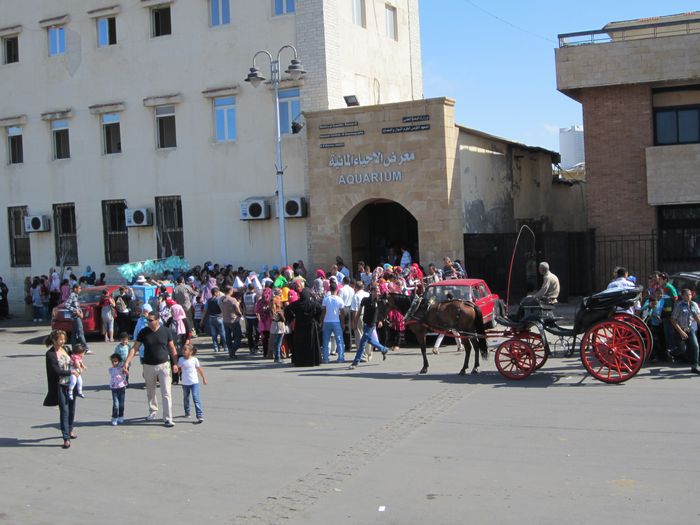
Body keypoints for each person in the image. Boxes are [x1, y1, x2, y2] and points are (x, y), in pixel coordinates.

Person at [123, 312, 180, 427]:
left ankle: (168, 418)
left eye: (150, 320)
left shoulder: (166, 331)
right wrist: (127, 362)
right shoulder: (143, 332)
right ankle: (153, 411)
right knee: (150, 391)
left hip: (164, 365)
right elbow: (135, 348)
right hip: (148, 365)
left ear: (157, 320)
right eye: (147, 320)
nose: (148, 322)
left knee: (166, 392)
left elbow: (172, 348)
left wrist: (176, 364)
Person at [43, 329, 79, 449]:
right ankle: (66, 438)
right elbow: (56, 371)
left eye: (64, 339)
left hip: (71, 384)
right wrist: (71, 371)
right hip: (60, 385)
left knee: (72, 409)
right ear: (54, 340)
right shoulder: (50, 354)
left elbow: (73, 360)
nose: (63, 341)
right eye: (60, 339)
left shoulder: (67, 349)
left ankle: (70, 429)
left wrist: (78, 364)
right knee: (64, 411)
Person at [349, 285, 390, 369]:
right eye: (376, 291)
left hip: (371, 325)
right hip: (365, 323)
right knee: (369, 340)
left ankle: (355, 363)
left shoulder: (380, 301)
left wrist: (381, 320)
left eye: (378, 291)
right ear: (371, 292)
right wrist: (355, 322)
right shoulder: (365, 300)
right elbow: (359, 311)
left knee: (362, 343)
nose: (378, 292)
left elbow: (383, 312)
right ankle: (384, 349)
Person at [285, 287, 322, 367]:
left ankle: (300, 361)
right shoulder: (312, 303)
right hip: (311, 326)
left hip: (299, 326)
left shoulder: (297, 304)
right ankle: (313, 361)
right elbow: (320, 308)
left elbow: (287, 309)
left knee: (300, 344)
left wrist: (292, 317)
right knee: (311, 344)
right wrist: (316, 318)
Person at [670, 288, 700, 375]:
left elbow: (697, 317)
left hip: (690, 329)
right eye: (686, 295)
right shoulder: (679, 306)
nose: (689, 296)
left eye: (690, 294)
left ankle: (694, 366)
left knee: (695, 346)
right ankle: (670, 353)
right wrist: (681, 332)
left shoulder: (694, 304)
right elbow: (673, 319)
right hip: (680, 330)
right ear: (682, 296)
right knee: (681, 349)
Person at [178, 343, 207, 423]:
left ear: (190, 352)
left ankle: (199, 415)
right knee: (186, 398)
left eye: (185, 349)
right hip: (185, 383)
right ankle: (187, 412)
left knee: (195, 398)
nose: (183, 351)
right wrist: (176, 370)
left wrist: (203, 378)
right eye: (183, 349)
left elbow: (199, 369)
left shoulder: (194, 360)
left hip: (194, 382)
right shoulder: (181, 359)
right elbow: (179, 369)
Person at [321, 281, 346, 363]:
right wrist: (343, 323)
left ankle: (325, 358)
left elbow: (324, 311)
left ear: (329, 289)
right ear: (337, 289)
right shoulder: (339, 299)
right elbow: (342, 313)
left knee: (326, 340)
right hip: (336, 321)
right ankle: (341, 358)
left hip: (326, 321)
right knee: (339, 340)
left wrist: (321, 321)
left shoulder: (326, 299)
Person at [65, 284, 91, 354]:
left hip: (76, 316)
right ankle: (86, 348)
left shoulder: (76, 296)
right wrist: (76, 311)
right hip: (75, 317)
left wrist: (80, 312)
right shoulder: (72, 295)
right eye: (79, 288)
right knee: (80, 333)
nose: (80, 290)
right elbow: (67, 304)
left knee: (74, 333)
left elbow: (77, 306)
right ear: (75, 289)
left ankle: (74, 349)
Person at [201, 287, 228, 354]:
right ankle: (225, 347)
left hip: (211, 318)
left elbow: (205, 310)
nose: (219, 293)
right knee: (222, 333)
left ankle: (216, 348)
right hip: (219, 318)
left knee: (214, 334)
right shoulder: (218, 300)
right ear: (215, 293)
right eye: (218, 292)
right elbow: (222, 309)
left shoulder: (208, 300)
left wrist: (202, 320)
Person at [220, 285, 243, 359]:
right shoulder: (232, 300)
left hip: (225, 320)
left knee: (228, 337)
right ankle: (232, 351)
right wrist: (240, 315)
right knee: (238, 336)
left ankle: (231, 352)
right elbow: (236, 310)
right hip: (233, 320)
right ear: (230, 291)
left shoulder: (221, 299)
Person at [109, 353, 128, 426]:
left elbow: (126, 372)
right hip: (114, 388)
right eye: (112, 362)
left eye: (115, 361)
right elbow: (114, 373)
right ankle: (114, 417)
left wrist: (124, 369)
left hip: (122, 387)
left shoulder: (122, 368)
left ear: (119, 361)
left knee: (121, 404)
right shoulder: (111, 369)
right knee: (116, 404)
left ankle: (121, 416)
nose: (114, 363)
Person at [269, 294, 286, 363]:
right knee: (278, 344)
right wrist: (281, 314)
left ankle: (277, 356)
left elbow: (273, 318)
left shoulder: (271, 310)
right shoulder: (279, 311)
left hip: (274, 327)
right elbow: (283, 320)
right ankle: (277, 357)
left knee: (276, 343)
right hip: (280, 327)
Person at [243, 283, 259, 354]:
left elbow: (243, 306)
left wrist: (244, 315)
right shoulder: (255, 295)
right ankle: (256, 347)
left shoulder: (244, 295)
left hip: (247, 316)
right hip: (254, 316)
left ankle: (251, 347)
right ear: (254, 288)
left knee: (249, 333)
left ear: (248, 288)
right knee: (257, 332)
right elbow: (256, 305)